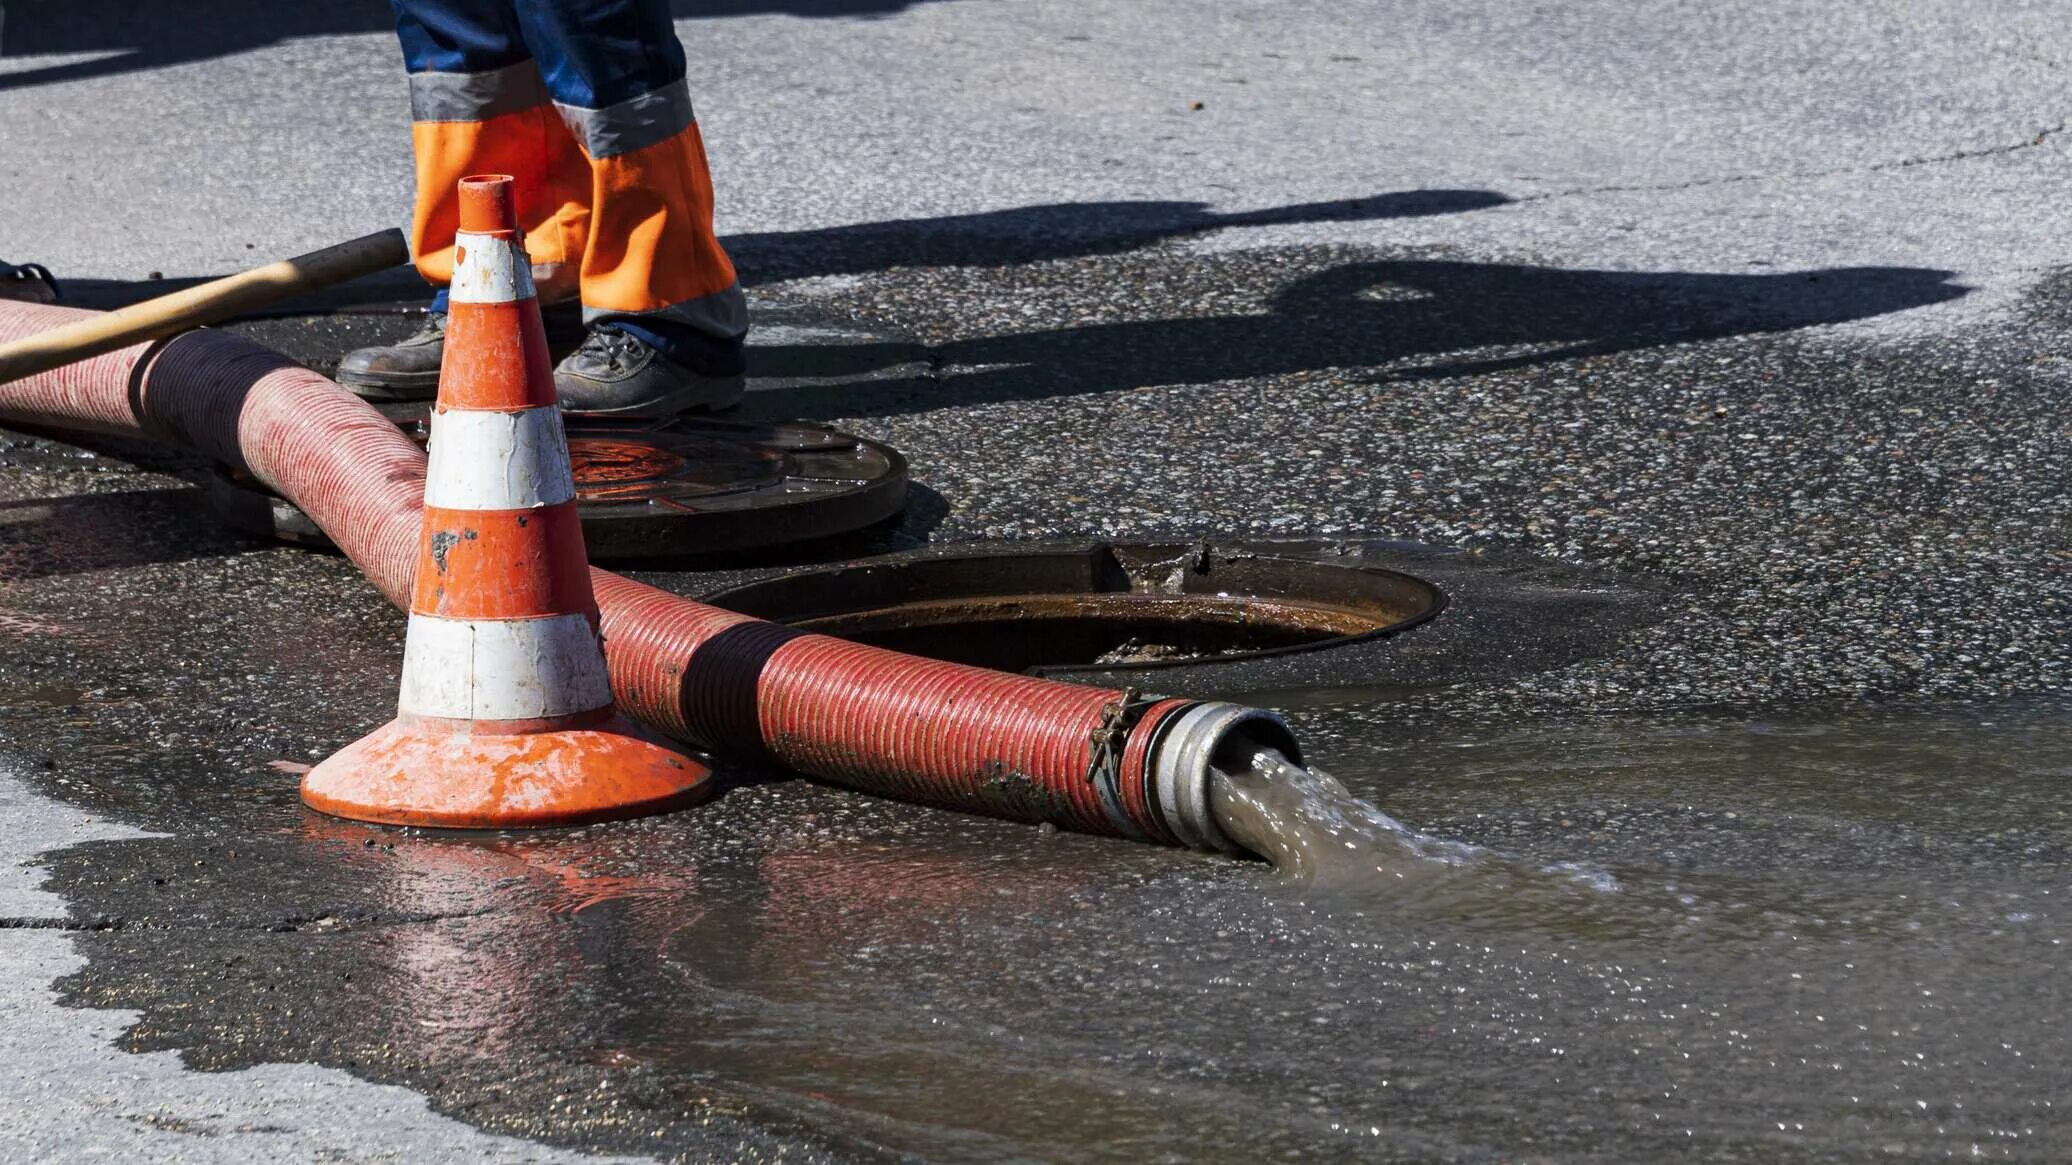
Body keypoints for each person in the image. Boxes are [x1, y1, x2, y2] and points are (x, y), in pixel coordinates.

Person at [337, 0, 748, 417]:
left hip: (669, 313)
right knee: (456, 27)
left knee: (588, 27)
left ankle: (672, 328)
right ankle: (510, 298)